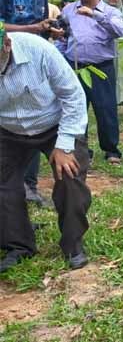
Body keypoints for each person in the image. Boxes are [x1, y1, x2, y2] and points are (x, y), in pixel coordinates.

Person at [0, 29, 92, 272]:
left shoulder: (38, 49)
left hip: (55, 123)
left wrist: (64, 145)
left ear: (7, 45)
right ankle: (18, 245)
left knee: (69, 175)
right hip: (7, 129)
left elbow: (73, 95)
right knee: (3, 183)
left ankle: (73, 243)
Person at [0, 0, 62, 207]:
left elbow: (39, 29)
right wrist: (33, 29)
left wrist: (49, 29)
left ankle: (30, 186)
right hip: (5, 69)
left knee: (36, 122)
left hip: (34, 71)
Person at [58, 0, 123, 164]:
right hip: (75, 66)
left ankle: (111, 149)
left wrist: (95, 15)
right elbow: (63, 36)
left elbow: (120, 30)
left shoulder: (110, 11)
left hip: (101, 67)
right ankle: (82, 149)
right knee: (77, 109)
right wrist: (60, 57)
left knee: (105, 108)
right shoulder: (69, 9)